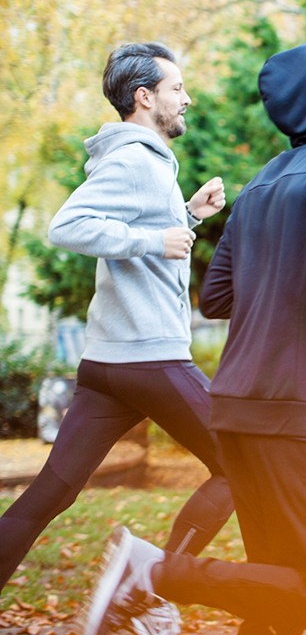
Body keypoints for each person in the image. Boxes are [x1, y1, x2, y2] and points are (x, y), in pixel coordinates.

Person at [82, 38, 306, 635]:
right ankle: (153, 573)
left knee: (276, 591)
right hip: (299, 411)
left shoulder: (262, 182)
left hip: (236, 409)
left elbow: (215, 298)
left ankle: (154, 574)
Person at [0, 43, 234, 597]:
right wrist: (154, 237)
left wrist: (186, 215)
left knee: (52, 492)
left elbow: (146, 240)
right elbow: (68, 226)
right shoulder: (134, 159)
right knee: (244, 466)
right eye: (177, 89)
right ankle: (149, 586)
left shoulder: (144, 161)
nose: (188, 99)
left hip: (109, 363)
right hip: (150, 357)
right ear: (144, 96)